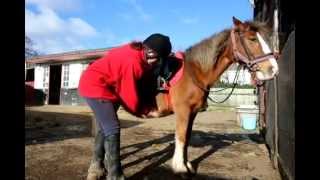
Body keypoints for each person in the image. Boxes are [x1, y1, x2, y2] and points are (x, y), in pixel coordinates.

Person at [78, 33, 172, 180]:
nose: (156, 62)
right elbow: (129, 94)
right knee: (112, 128)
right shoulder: (133, 63)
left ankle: (95, 167)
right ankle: (115, 176)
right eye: (158, 58)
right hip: (95, 86)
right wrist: (144, 111)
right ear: (150, 51)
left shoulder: (134, 49)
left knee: (104, 126)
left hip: (108, 85)